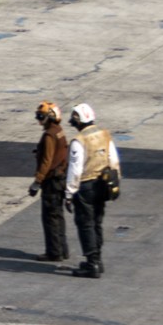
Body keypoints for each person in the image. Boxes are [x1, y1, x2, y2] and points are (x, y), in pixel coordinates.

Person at [62, 103, 119, 278]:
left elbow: (75, 170)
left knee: (85, 224)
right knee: (97, 222)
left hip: (86, 187)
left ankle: (91, 264)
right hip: (103, 184)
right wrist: (115, 184)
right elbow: (114, 161)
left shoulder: (79, 141)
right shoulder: (105, 135)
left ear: (78, 121)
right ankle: (98, 259)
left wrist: (69, 193)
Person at [27, 102, 69, 262]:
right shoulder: (59, 131)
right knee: (58, 215)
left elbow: (47, 161)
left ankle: (54, 252)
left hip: (51, 181)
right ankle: (62, 249)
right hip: (60, 178)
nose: (39, 120)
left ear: (49, 117)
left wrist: (37, 182)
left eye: (41, 117)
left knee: (50, 217)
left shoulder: (49, 135)